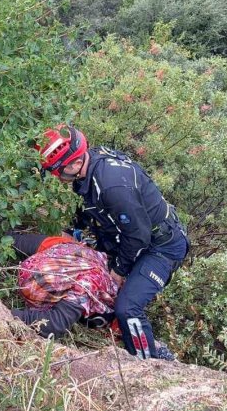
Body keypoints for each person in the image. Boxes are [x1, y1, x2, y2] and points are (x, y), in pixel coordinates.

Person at [34, 124, 189, 360]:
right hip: (129, 238)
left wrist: (119, 270)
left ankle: (148, 360)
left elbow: (139, 234)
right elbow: (92, 206)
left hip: (161, 247)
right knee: (96, 283)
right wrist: (73, 230)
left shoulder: (112, 185)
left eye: (58, 172)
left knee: (128, 308)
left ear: (74, 164)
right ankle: (121, 334)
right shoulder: (90, 170)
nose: (58, 177)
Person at [9, 233, 117, 338]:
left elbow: (55, 326)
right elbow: (12, 240)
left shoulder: (86, 284)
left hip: (109, 295)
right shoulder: (60, 248)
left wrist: (7, 314)